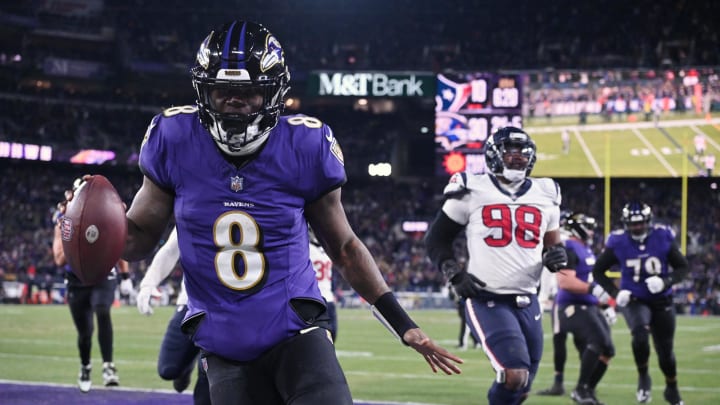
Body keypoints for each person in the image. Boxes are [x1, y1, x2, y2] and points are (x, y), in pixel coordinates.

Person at [64, 20, 461, 405]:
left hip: (295, 330)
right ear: (204, 91)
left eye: (249, 92)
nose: (234, 102)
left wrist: (403, 324)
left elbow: (344, 248)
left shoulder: (305, 144)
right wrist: (93, 228)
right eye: (222, 91)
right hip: (222, 342)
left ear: (273, 93)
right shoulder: (174, 137)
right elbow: (137, 239)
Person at [424, 126, 568, 405]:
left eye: (522, 152)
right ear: (493, 155)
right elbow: (436, 239)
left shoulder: (547, 192)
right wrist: (453, 273)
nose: (517, 158)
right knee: (513, 374)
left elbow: (553, 245)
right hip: (486, 298)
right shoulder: (472, 188)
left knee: (522, 386)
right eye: (509, 152)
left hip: (529, 299)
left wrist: (556, 256)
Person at [592, 202, 689, 405]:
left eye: (640, 223)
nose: (637, 228)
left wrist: (665, 281)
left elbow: (682, 268)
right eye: (633, 224)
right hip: (634, 299)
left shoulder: (662, 237)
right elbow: (598, 271)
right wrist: (615, 293)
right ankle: (643, 376)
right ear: (626, 224)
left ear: (648, 222)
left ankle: (672, 387)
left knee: (665, 353)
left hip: (662, 300)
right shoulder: (618, 241)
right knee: (640, 334)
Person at [536, 212, 616, 404]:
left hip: (588, 305)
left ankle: (588, 389)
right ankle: (579, 389)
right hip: (571, 305)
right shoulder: (568, 247)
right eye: (587, 226)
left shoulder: (585, 249)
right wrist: (592, 289)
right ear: (577, 227)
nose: (590, 231)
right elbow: (564, 281)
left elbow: (587, 278)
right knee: (597, 341)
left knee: (608, 350)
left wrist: (603, 305)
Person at [51, 201, 130, 393]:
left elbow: (118, 245)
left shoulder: (104, 216)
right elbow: (59, 259)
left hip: (103, 274)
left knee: (102, 310)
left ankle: (108, 366)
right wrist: (75, 235)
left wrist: (125, 275)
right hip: (77, 280)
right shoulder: (64, 222)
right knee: (85, 333)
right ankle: (85, 367)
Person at [135, 227, 210, 405]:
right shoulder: (194, 209)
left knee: (208, 378)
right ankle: (186, 365)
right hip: (191, 302)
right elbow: (170, 250)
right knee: (168, 369)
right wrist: (148, 284)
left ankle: (202, 358)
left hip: (227, 308)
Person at [308, 227, 338, 341]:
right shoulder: (307, 248)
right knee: (318, 337)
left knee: (333, 335)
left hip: (328, 298)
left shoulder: (326, 249)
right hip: (316, 298)